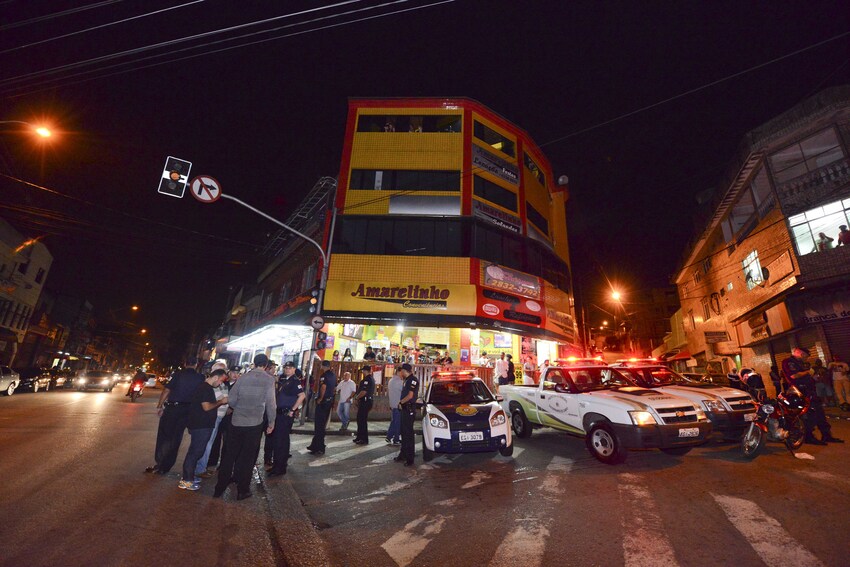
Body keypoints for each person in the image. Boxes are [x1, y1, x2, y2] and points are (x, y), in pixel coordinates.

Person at [214, 353, 276, 500]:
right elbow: (271, 403)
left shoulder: (243, 378)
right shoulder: (268, 380)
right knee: (247, 457)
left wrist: (240, 408)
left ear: (254, 363)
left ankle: (219, 488)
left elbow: (232, 399)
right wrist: (271, 422)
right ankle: (243, 490)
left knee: (229, 455)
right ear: (266, 365)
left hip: (237, 421)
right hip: (254, 423)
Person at [145, 358, 205, 475]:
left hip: (173, 409)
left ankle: (160, 464)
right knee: (177, 438)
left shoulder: (177, 375)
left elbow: (167, 390)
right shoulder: (201, 378)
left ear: (184, 364)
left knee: (165, 437)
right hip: (188, 411)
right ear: (196, 365)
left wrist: (160, 405)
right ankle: (167, 466)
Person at [781, 347, 843, 445]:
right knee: (809, 415)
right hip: (800, 392)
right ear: (800, 354)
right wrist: (808, 372)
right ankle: (809, 437)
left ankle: (826, 435)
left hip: (810, 391)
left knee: (820, 413)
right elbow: (794, 376)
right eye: (805, 356)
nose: (806, 358)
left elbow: (806, 377)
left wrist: (814, 378)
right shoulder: (788, 362)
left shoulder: (801, 364)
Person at [179, 369, 229, 490]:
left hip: (202, 425)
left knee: (197, 451)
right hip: (201, 425)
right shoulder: (205, 388)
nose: (221, 383)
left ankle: (189, 476)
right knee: (195, 452)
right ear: (216, 377)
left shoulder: (205, 387)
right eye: (221, 380)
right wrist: (221, 402)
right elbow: (206, 407)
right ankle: (186, 480)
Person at [268, 361, 305, 477]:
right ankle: (277, 465)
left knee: (281, 441)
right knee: (278, 441)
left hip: (285, 414)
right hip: (278, 414)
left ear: (294, 369)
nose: (287, 370)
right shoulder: (283, 379)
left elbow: (302, 396)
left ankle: (280, 467)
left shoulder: (295, 381)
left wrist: (293, 410)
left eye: (290, 368)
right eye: (286, 368)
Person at [194, 362, 230, 478]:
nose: (221, 377)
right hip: (210, 418)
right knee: (205, 444)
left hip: (218, 418)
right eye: (219, 372)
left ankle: (200, 468)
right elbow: (209, 405)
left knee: (208, 443)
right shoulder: (208, 386)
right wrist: (222, 402)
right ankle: (199, 469)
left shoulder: (222, 385)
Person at [207, 365, 241, 470]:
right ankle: (212, 460)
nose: (235, 375)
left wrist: (231, 408)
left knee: (228, 441)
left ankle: (224, 464)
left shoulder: (240, 385)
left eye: (238, 373)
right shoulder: (222, 383)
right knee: (215, 439)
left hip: (231, 417)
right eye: (233, 372)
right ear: (228, 373)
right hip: (219, 414)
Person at [307, 360, 336, 456]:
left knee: (319, 426)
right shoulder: (333, 375)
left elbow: (323, 387)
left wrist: (320, 398)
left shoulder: (324, 376)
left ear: (323, 366)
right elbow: (334, 388)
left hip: (323, 402)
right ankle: (314, 445)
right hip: (329, 401)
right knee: (321, 425)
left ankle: (319, 447)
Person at [393, 363, 419, 466]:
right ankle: (403, 454)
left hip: (409, 409)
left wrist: (401, 402)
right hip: (405, 409)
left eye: (402, 371)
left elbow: (410, 395)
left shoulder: (412, 380)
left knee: (408, 434)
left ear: (405, 371)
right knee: (403, 433)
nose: (401, 372)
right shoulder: (407, 380)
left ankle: (410, 458)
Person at [352, 365, 375, 445]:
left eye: (363, 370)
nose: (362, 372)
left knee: (362, 420)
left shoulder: (367, 380)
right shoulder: (369, 379)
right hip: (365, 401)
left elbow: (364, 392)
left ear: (366, 371)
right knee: (360, 419)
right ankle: (359, 437)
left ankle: (363, 439)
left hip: (365, 401)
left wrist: (356, 398)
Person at [385, 369, 402, 445]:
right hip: (398, 405)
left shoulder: (391, 380)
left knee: (394, 422)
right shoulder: (399, 382)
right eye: (402, 372)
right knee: (397, 423)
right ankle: (396, 439)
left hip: (393, 404)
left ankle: (389, 436)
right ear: (398, 372)